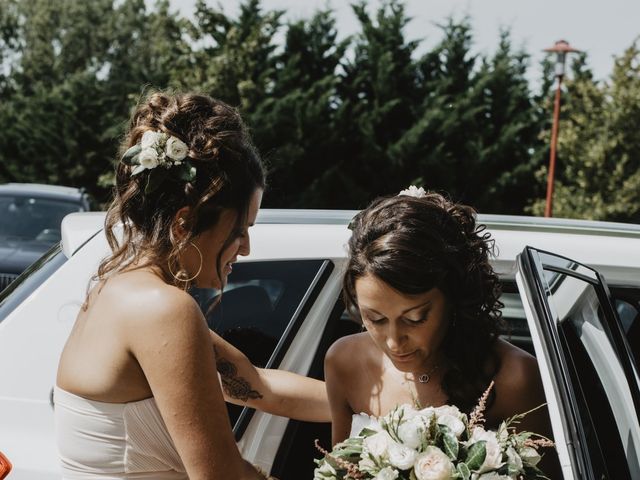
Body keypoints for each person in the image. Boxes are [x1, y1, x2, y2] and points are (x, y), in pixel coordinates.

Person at [55, 92, 329, 480]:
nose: (246, 249)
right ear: (184, 223)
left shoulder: (116, 290)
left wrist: (387, 406)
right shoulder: (161, 310)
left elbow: (257, 386)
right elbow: (221, 475)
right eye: (240, 230)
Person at [324, 187, 560, 474]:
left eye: (415, 318)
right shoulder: (344, 361)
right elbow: (340, 470)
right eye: (375, 319)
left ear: (453, 299)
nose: (394, 341)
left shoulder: (515, 378)